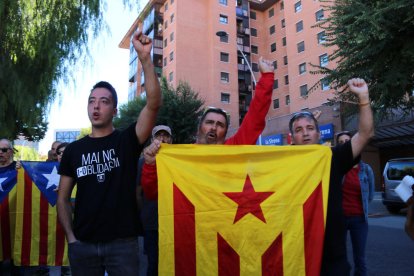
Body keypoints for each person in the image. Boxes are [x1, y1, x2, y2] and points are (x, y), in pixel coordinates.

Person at [56, 29, 161, 276]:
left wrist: (145, 58)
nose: (96, 105)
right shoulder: (73, 150)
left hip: (123, 245)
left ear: (114, 110)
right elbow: (62, 198)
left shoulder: (128, 140)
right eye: (92, 100)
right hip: (83, 245)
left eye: (104, 101)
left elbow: (154, 103)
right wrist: (71, 238)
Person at [141, 57, 275, 199]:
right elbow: (153, 193)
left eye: (220, 125)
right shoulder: (183, 157)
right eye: (209, 122)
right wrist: (150, 165)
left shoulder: (234, 150)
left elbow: (255, 118)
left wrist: (267, 77)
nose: (214, 127)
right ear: (200, 127)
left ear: (225, 132)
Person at [289, 78, 374, 275]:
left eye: (310, 128)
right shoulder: (282, 164)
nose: (306, 134)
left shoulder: (333, 157)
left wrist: (363, 98)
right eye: (299, 130)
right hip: (295, 254)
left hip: (332, 256)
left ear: (319, 134)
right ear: (291, 138)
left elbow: (365, 134)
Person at [337, 131, 375, 276]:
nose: (345, 145)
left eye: (348, 141)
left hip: (359, 219)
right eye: (341, 142)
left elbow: (370, 195)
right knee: (339, 257)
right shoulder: (337, 168)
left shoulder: (366, 170)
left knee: (360, 259)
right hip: (340, 219)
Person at [137, 125, 173, 276]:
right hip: (152, 221)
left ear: (171, 140)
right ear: (152, 139)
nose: (162, 139)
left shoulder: (177, 161)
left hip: (174, 221)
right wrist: (142, 216)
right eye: (159, 136)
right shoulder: (142, 161)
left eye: (166, 136)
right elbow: (138, 192)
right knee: (154, 264)